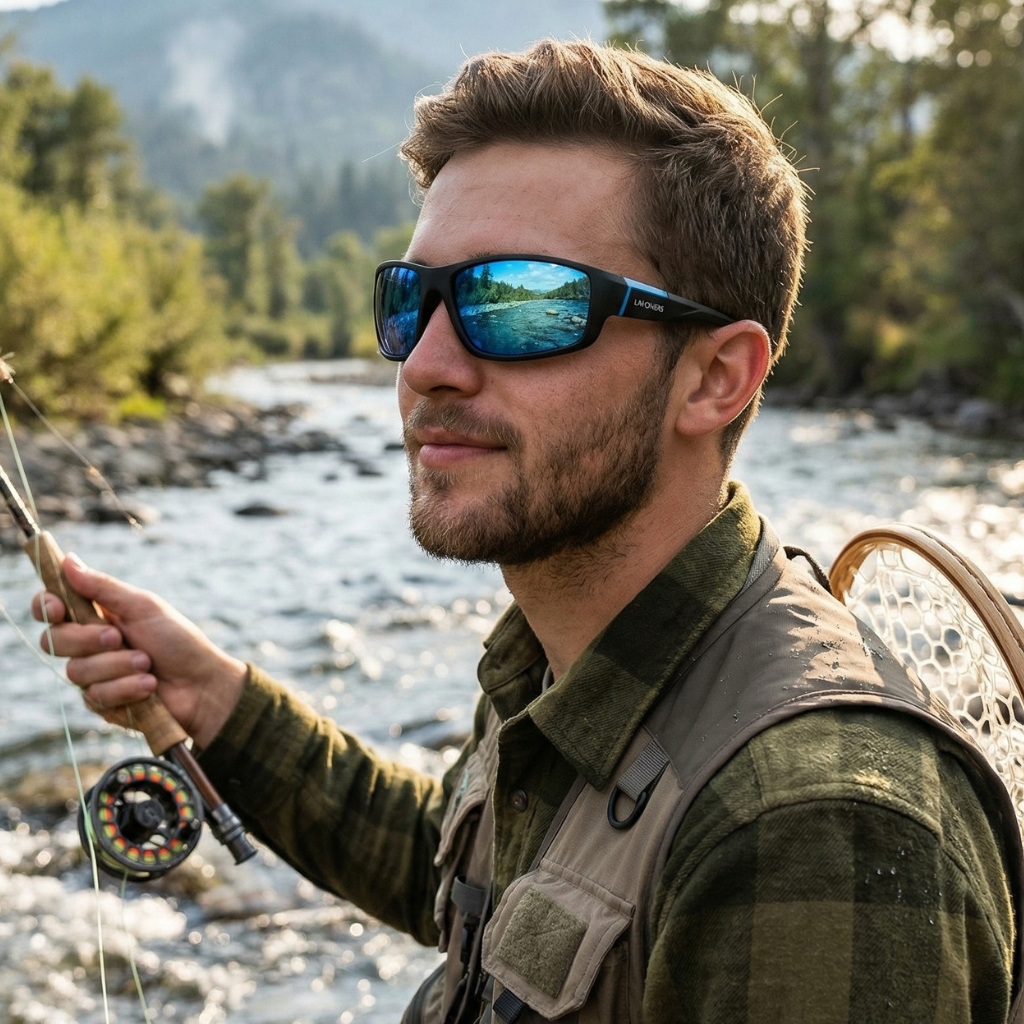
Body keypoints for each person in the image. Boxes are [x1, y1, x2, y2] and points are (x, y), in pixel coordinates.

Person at [35, 40, 1021, 1023]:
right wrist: (213, 699)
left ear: (715, 378)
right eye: (411, 300)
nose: (426, 365)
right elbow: (462, 875)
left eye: (519, 304)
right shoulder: (565, 649)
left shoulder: (814, 826)